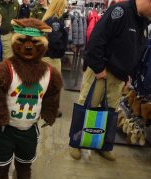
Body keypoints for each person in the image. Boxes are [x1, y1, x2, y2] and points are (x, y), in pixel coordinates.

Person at [69, 0, 151, 161]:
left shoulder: (143, 21)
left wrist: (130, 76)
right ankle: (76, 142)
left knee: (111, 112)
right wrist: (99, 68)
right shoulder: (120, 11)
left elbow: (137, 50)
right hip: (102, 71)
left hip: (120, 77)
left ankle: (104, 145)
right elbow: (96, 39)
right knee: (87, 105)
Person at [41, 0, 68, 74]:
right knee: (54, 84)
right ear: (60, 7)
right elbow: (55, 41)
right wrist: (62, 50)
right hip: (52, 59)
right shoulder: (56, 21)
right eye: (64, 6)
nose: (64, 8)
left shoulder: (48, 19)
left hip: (46, 56)